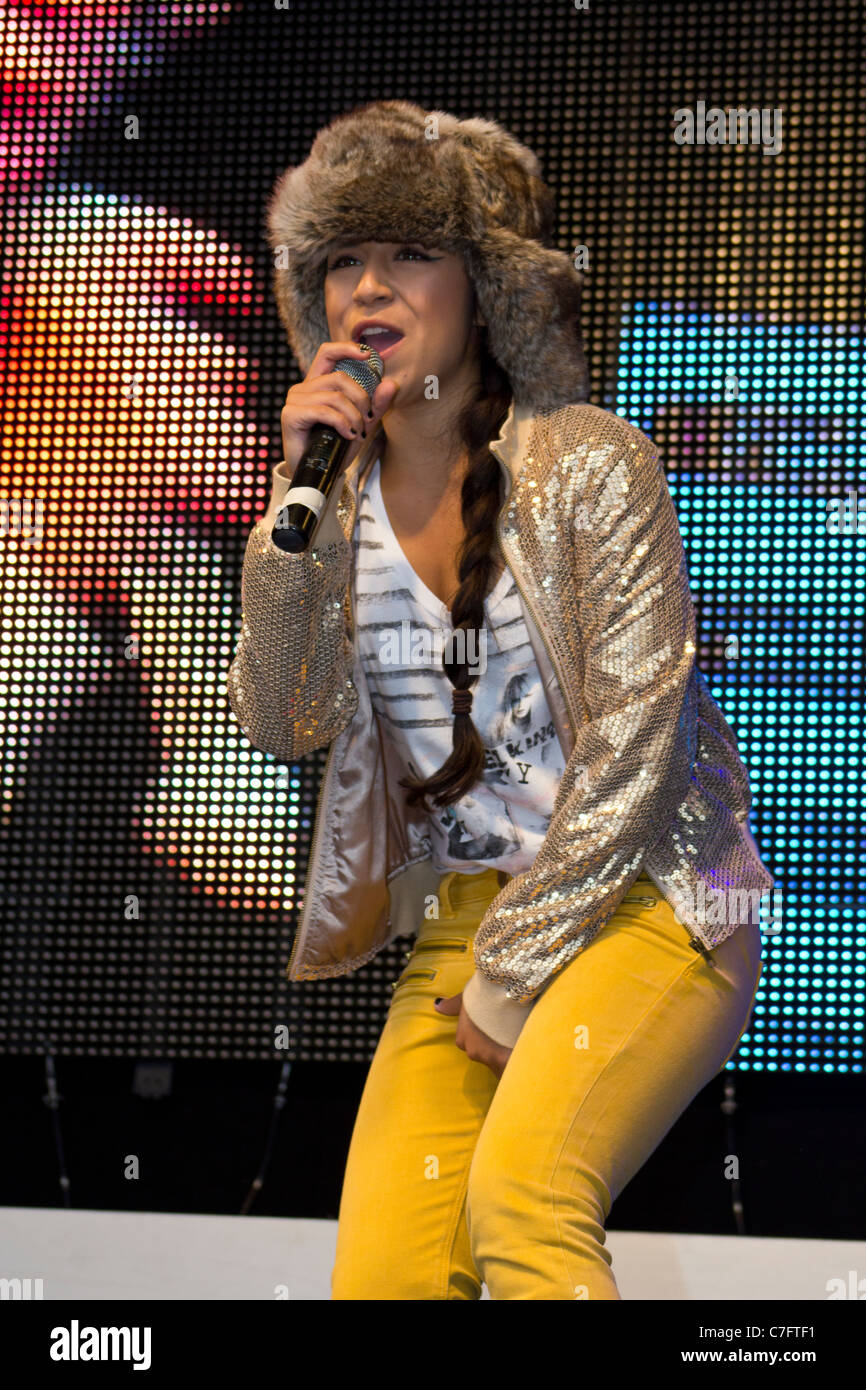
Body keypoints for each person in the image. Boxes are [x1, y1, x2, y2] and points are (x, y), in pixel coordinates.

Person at [227, 99, 775, 1300]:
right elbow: (282, 721)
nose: (368, 288)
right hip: (465, 917)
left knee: (521, 1205)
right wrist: (287, 516)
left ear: (483, 288)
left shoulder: (590, 459)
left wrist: (514, 970)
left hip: (662, 892)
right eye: (340, 264)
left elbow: (634, 752)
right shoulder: (330, 504)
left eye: (408, 254)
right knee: (381, 1279)